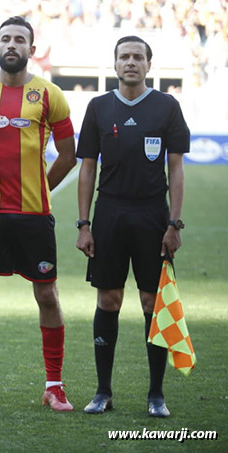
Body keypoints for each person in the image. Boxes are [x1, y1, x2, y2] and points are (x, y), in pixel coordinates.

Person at [0, 16, 77, 411]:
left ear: (31, 50)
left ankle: (54, 385)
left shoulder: (50, 94)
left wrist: (40, 189)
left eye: (19, 40)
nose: (11, 44)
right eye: (4, 38)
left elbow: (69, 155)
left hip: (34, 217)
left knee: (47, 295)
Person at [76, 36, 190, 418]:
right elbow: (87, 168)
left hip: (152, 217)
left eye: (137, 57)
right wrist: (84, 224)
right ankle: (103, 392)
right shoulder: (97, 107)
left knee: (150, 303)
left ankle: (156, 395)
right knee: (108, 300)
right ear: (114, 64)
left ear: (148, 65)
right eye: (124, 57)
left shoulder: (167, 107)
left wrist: (174, 223)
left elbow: (175, 168)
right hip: (108, 215)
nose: (130, 63)